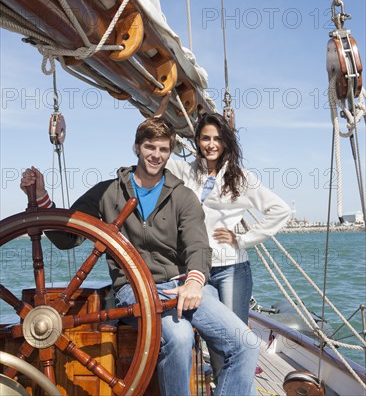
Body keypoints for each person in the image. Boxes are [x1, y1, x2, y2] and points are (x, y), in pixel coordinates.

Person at [20, 117, 259, 396]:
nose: (156, 155)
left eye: (163, 149)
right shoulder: (107, 193)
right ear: (136, 147)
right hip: (135, 291)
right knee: (180, 338)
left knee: (246, 344)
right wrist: (39, 198)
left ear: (170, 153)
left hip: (183, 285)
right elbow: (67, 236)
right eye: (149, 147)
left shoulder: (182, 196)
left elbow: (197, 243)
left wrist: (195, 280)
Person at [167, 112, 291, 326]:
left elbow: (281, 210)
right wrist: (160, 109)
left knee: (233, 332)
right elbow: (155, 151)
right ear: (197, 140)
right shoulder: (184, 171)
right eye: (206, 138)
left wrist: (243, 239)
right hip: (195, 268)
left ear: (226, 141)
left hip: (230, 268)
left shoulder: (241, 178)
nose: (211, 144)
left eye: (218, 138)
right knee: (209, 333)